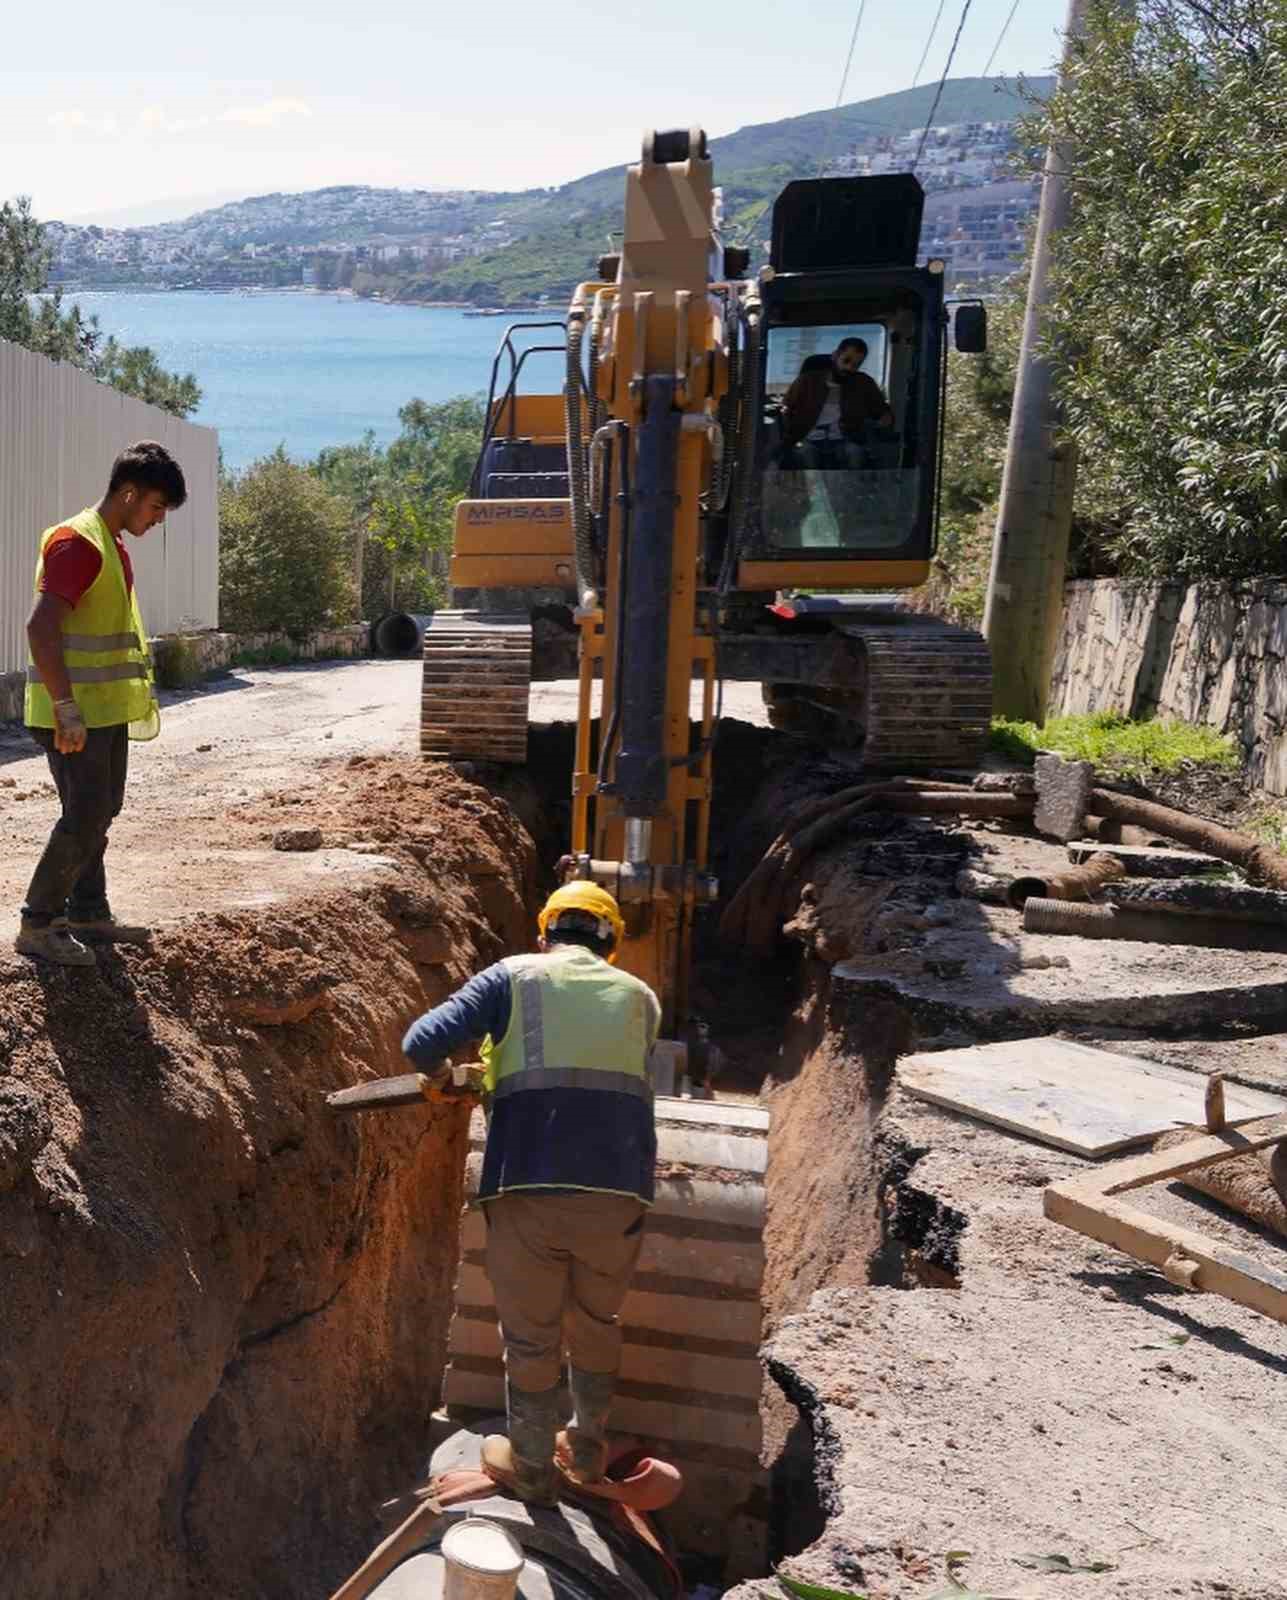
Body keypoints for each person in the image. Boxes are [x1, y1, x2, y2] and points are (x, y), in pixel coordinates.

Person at [402, 881, 660, 1505]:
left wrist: (443, 1079)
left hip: (529, 1182)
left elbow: (421, 1042)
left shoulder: (512, 976)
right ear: (612, 944)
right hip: (621, 1192)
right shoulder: (642, 998)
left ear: (544, 934)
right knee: (597, 1319)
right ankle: (588, 1450)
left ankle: (533, 1467)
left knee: (531, 1336)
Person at [16, 441, 187, 967]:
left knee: (98, 810)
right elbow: (40, 628)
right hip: (74, 715)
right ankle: (39, 923)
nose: (159, 519)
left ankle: (88, 913)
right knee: (86, 814)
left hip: (102, 712)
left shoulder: (110, 545)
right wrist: (66, 708)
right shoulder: (78, 543)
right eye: (156, 506)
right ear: (129, 493)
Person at [780, 337, 894, 465]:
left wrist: (885, 417)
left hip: (845, 439)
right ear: (835, 356)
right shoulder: (806, 381)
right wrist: (791, 436)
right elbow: (786, 409)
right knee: (805, 454)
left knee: (855, 452)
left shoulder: (864, 383)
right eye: (846, 360)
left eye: (856, 365)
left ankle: (854, 480)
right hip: (808, 439)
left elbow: (881, 410)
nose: (849, 368)